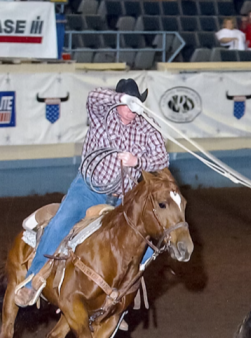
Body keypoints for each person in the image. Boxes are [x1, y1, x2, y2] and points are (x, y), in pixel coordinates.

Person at [14, 79, 168, 307]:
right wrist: (124, 99)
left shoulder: (146, 126)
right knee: (60, 224)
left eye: (135, 106)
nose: (131, 112)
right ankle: (31, 282)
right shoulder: (102, 116)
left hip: (122, 199)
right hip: (88, 189)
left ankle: (119, 302)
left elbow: (162, 157)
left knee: (143, 246)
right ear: (119, 102)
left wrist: (138, 160)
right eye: (128, 105)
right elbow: (93, 97)